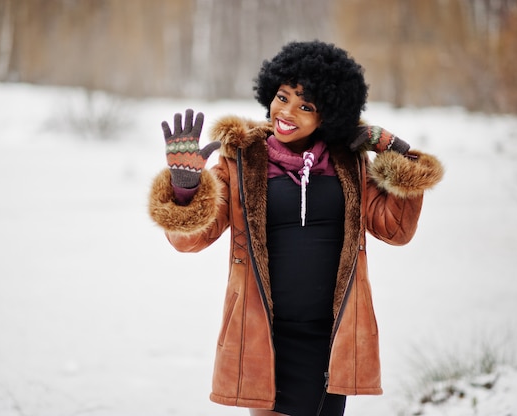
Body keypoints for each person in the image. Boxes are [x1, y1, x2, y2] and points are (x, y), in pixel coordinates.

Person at [148, 40, 444, 416]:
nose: (287, 112)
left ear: (329, 116)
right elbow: (188, 242)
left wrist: (397, 153)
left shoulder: (349, 164)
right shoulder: (240, 162)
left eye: (307, 106)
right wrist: (185, 189)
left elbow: (395, 230)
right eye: (282, 97)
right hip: (263, 335)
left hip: (330, 336)